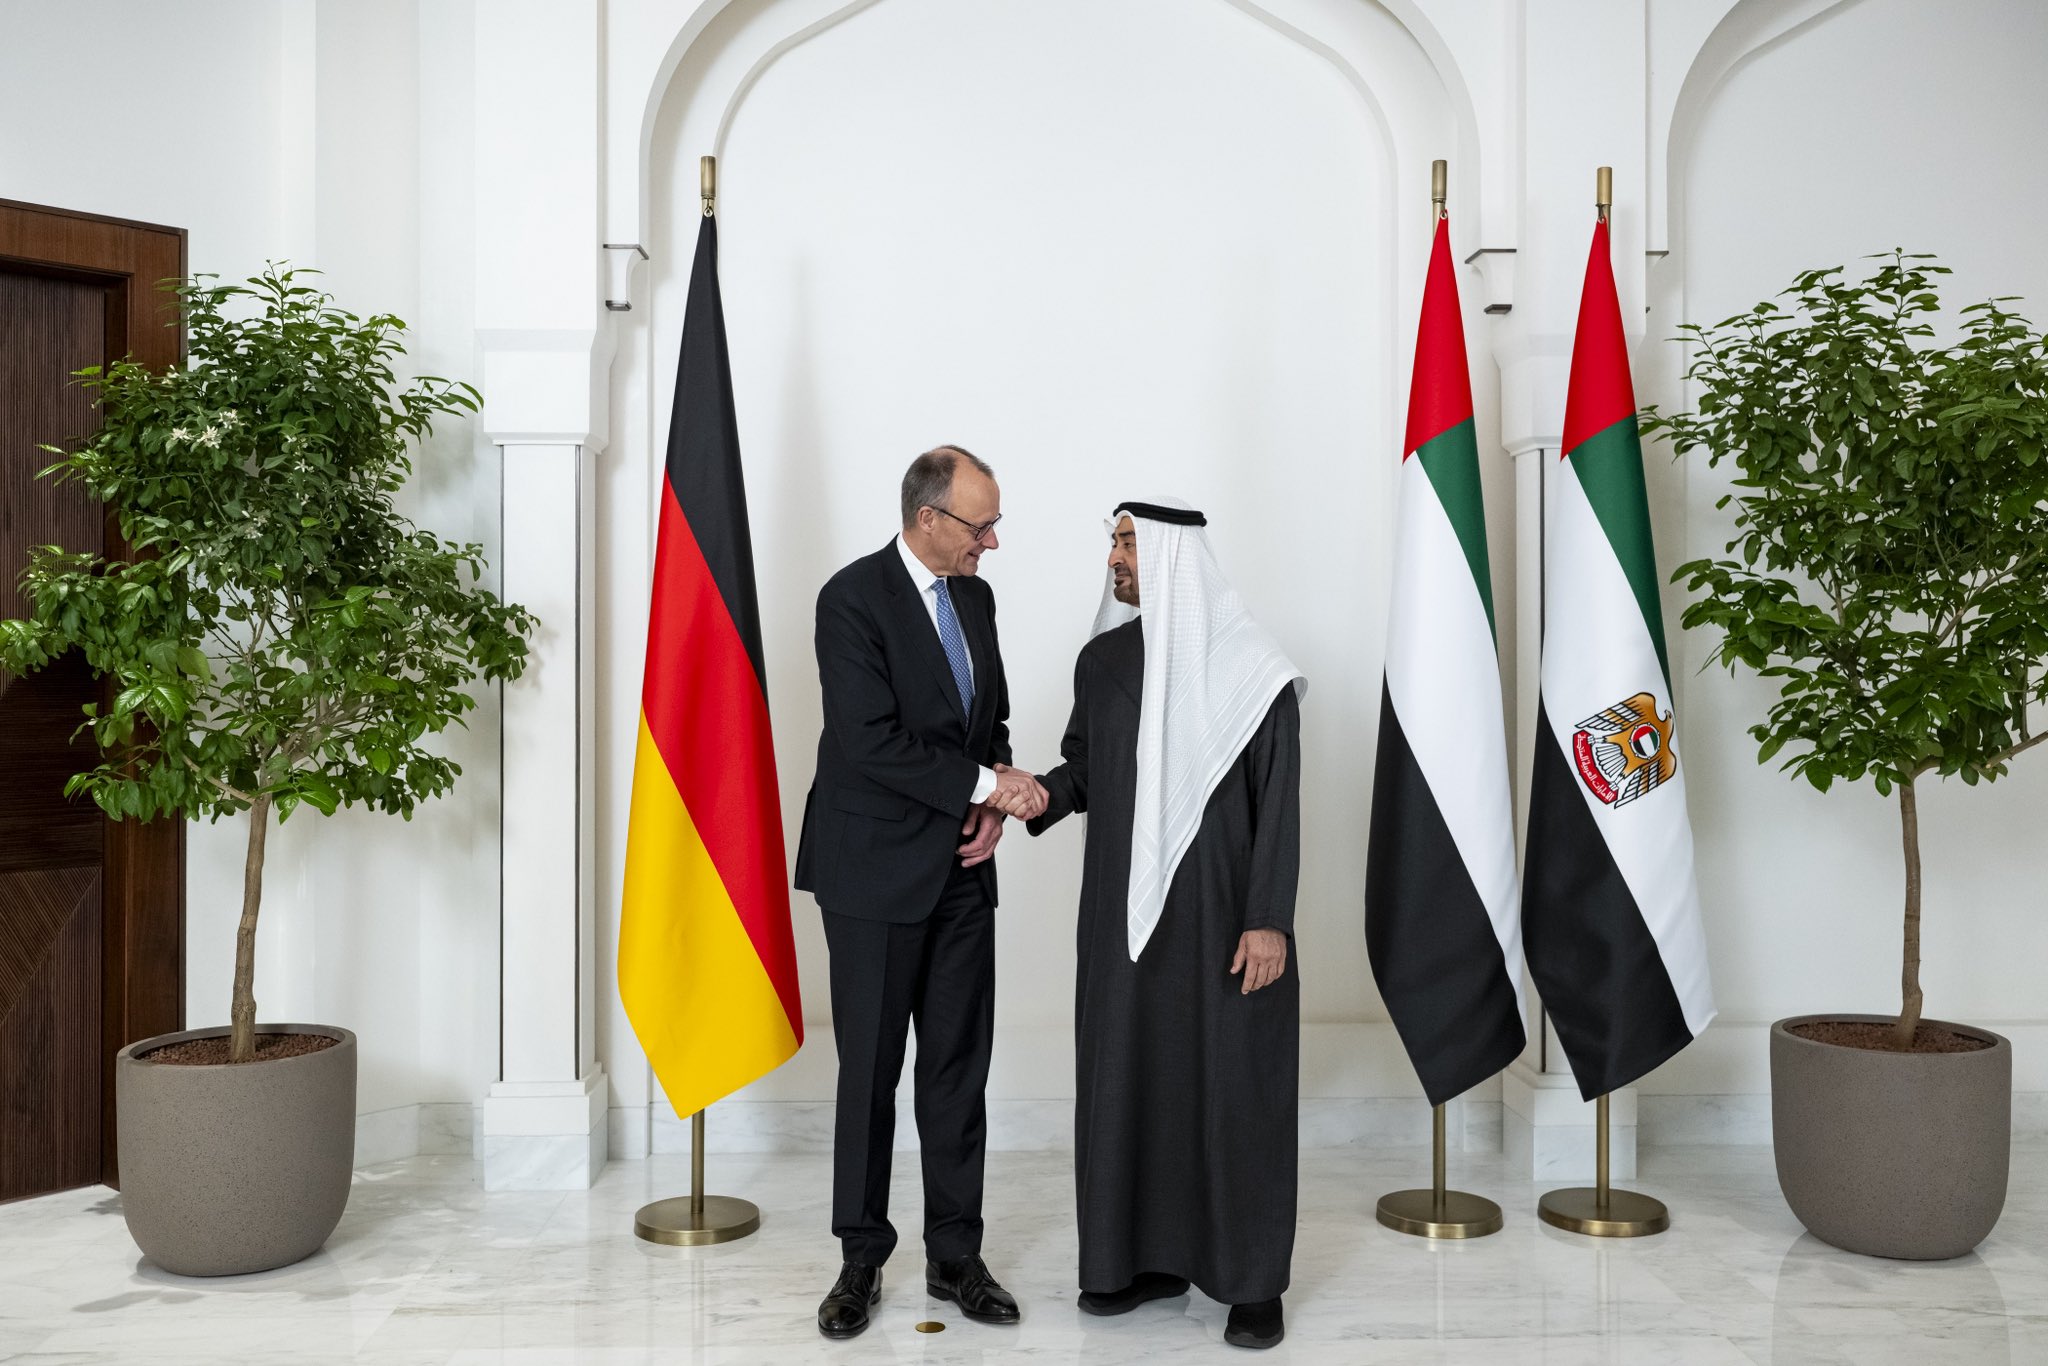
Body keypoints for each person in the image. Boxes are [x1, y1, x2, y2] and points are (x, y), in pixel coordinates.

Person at [1015, 498, 1304, 1351]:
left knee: (1235, 1094)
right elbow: (1086, 768)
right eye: (1113, 543)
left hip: (1225, 921)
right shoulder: (1103, 662)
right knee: (1128, 1078)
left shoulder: (1254, 667)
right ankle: (1132, 1261)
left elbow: (1279, 803)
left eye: (1130, 543)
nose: (1115, 558)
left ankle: (1251, 1284)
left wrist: (1268, 920)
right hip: (1124, 920)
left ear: (1176, 556)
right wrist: (1034, 795)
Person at [795, 445, 1049, 1341]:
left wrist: (990, 809)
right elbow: (868, 741)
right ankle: (860, 1261)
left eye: (995, 525)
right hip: (871, 874)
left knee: (955, 1071)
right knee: (870, 1073)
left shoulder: (975, 598)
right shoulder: (850, 599)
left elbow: (990, 721)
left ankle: (955, 1257)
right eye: (982, 526)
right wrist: (987, 787)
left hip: (960, 872)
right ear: (928, 518)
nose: (992, 543)